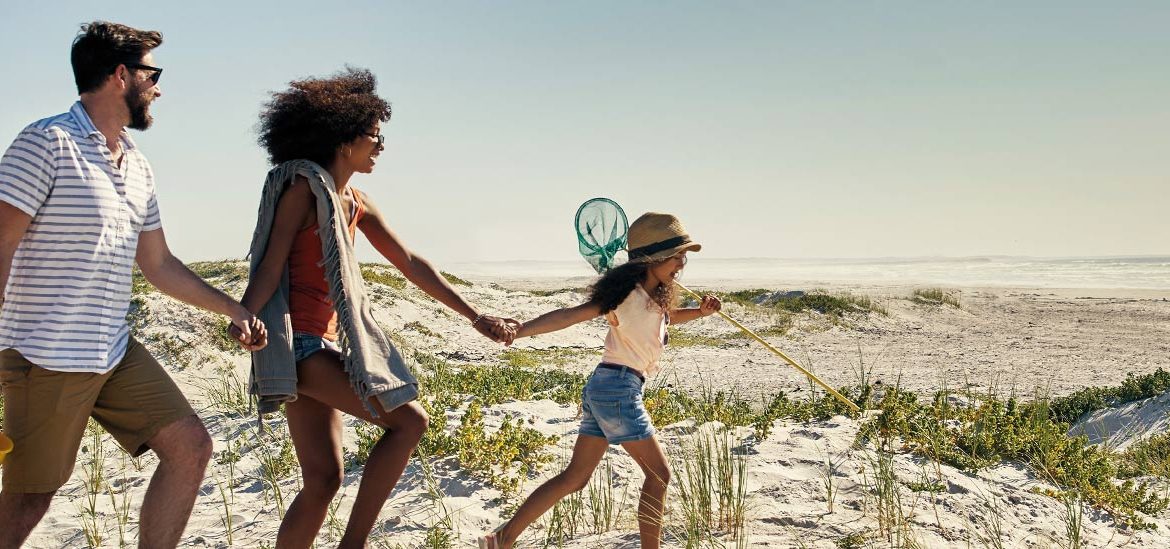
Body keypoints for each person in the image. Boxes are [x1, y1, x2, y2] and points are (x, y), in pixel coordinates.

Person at [0, 21, 266, 549]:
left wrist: (233, 309)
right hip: (46, 354)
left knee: (190, 447)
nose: (159, 87)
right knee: (32, 497)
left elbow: (159, 263)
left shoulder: (138, 165)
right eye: (152, 72)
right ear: (121, 75)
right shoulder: (46, 142)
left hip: (112, 350)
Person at [240, 67, 515, 549]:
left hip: (322, 343)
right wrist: (243, 315)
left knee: (324, 480)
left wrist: (475, 316)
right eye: (373, 135)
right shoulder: (304, 191)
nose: (380, 146)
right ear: (343, 139)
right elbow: (269, 264)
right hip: (299, 348)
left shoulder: (355, 202)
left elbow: (410, 262)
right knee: (410, 421)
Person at [479, 212, 722, 549]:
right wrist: (520, 331)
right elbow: (570, 316)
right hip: (617, 389)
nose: (682, 262)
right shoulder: (625, 295)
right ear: (652, 259)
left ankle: (501, 540)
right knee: (659, 475)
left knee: (575, 477)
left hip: (606, 387)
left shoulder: (654, 299)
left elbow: (665, 320)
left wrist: (700, 313)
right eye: (677, 255)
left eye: (684, 256)